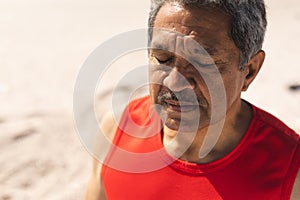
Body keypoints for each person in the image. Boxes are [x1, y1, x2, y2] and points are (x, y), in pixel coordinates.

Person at [85, 0, 300, 199]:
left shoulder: (291, 172)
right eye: (163, 58)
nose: (175, 83)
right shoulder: (116, 130)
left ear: (250, 71)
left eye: (202, 64)